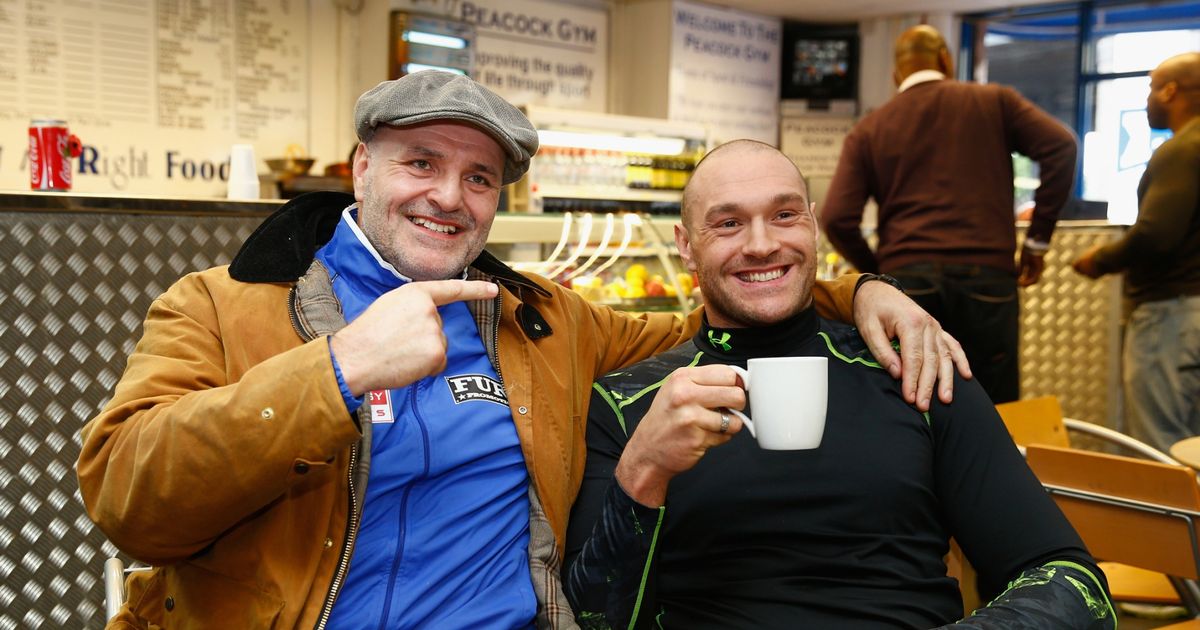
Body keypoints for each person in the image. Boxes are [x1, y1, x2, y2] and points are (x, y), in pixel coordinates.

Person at [76, 71, 968, 629]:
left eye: (479, 178)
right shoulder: (221, 305)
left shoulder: (544, 319)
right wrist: (336, 371)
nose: (449, 197)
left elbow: (715, 317)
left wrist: (859, 289)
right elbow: (126, 497)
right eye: (420, 163)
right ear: (362, 168)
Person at [564, 140, 1113, 629]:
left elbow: (1072, 582)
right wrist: (644, 470)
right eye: (728, 224)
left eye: (784, 215)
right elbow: (595, 619)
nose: (762, 244)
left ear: (813, 225)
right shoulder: (628, 405)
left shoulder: (915, 366)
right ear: (686, 246)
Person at [821, 24, 1078, 404]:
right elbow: (1061, 147)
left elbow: (836, 217)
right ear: (945, 59)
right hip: (986, 281)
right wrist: (1036, 242)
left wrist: (881, 275)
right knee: (995, 404)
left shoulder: (870, 129)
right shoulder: (994, 102)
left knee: (914, 399)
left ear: (896, 75)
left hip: (909, 285)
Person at [1072, 52, 1200, 453]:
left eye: (1150, 88)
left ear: (1170, 91)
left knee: (1163, 448)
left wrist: (1099, 259)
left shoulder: (1183, 149)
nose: (1147, 100)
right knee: (1193, 446)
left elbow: (1156, 234)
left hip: (1171, 317)